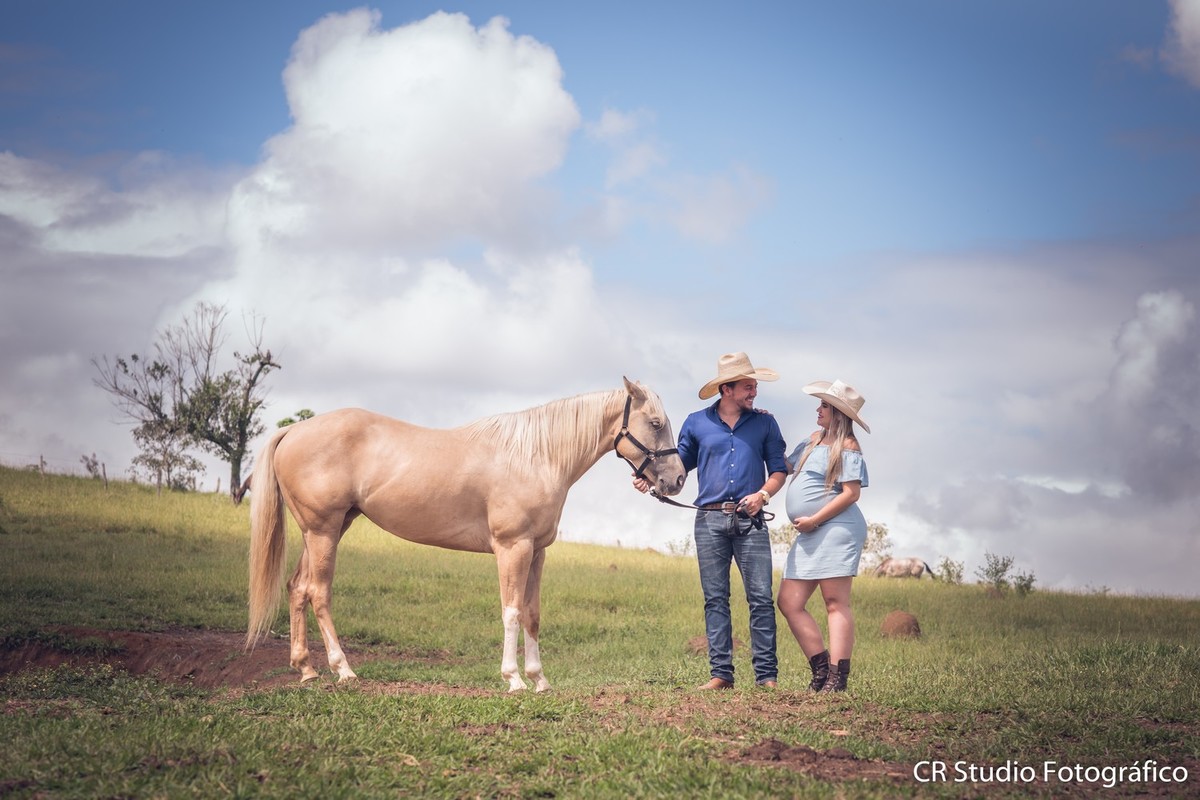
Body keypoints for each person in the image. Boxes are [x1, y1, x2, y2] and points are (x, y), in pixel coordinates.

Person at [635, 352, 788, 690]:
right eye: (748, 387)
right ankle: (721, 675)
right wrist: (649, 478)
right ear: (727, 389)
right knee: (715, 598)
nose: (754, 392)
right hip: (709, 520)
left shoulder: (765, 423)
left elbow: (778, 470)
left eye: (754, 386)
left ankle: (767, 677)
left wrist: (762, 495)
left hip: (752, 520)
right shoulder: (696, 422)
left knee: (761, 597)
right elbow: (678, 468)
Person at [777, 379, 870, 693]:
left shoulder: (847, 447)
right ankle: (820, 668)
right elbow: (782, 466)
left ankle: (836, 678)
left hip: (836, 529)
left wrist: (815, 519)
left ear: (839, 414)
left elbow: (851, 494)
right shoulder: (812, 440)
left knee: (835, 602)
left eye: (825, 406)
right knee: (789, 602)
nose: (818, 410)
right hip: (811, 532)